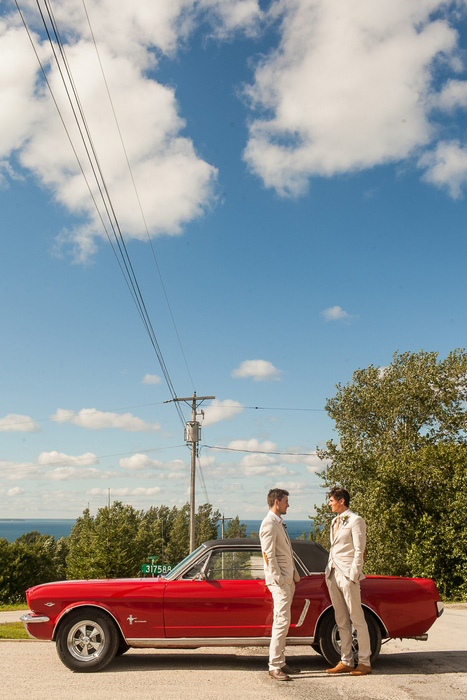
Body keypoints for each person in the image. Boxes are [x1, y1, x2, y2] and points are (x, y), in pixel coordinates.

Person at [324, 486, 372, 676]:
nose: (329, 504)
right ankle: (346, 660)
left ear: (341, 500)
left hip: (348, 575)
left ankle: (365, 661)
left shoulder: (356, 520)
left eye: (331, 500)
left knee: (357, 618)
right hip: (333, 574)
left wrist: (353, 574)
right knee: (341, 619)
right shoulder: (334, 521)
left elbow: (360, 550)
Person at [259, 488, 301, 681]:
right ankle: (274, 665)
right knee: (281, 622)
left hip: (287, 580)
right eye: (285, 501)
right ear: (277, 502)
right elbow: (268, 555)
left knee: (284, 622)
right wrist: (280, 579)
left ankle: (281, 661)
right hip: (280, 582)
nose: (288, 505)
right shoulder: (269, 524)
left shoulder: (277, 523)